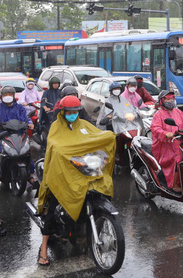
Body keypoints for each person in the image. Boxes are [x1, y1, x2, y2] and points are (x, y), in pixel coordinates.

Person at [36, 95, 114, 266]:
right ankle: (43, 249)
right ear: (63, 112)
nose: (73, 114)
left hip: (83, 169)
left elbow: (97, 137)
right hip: (63, 174)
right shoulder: (56, 127)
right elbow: (55, 146)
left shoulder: (85, 125)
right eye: (69, 112)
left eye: (75, 112)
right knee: (54, 204)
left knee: (102, 190)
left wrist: (109, 136)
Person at [150, 91, 183, 192]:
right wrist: (165, 133)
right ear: (162, 101)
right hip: (165, 145)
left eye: (172, 99)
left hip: (179, 142)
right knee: (177, 160)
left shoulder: (178, 112)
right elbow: (155, 128)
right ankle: (174, 184)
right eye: (168, 99)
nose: (170, 101)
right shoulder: (158, 114)